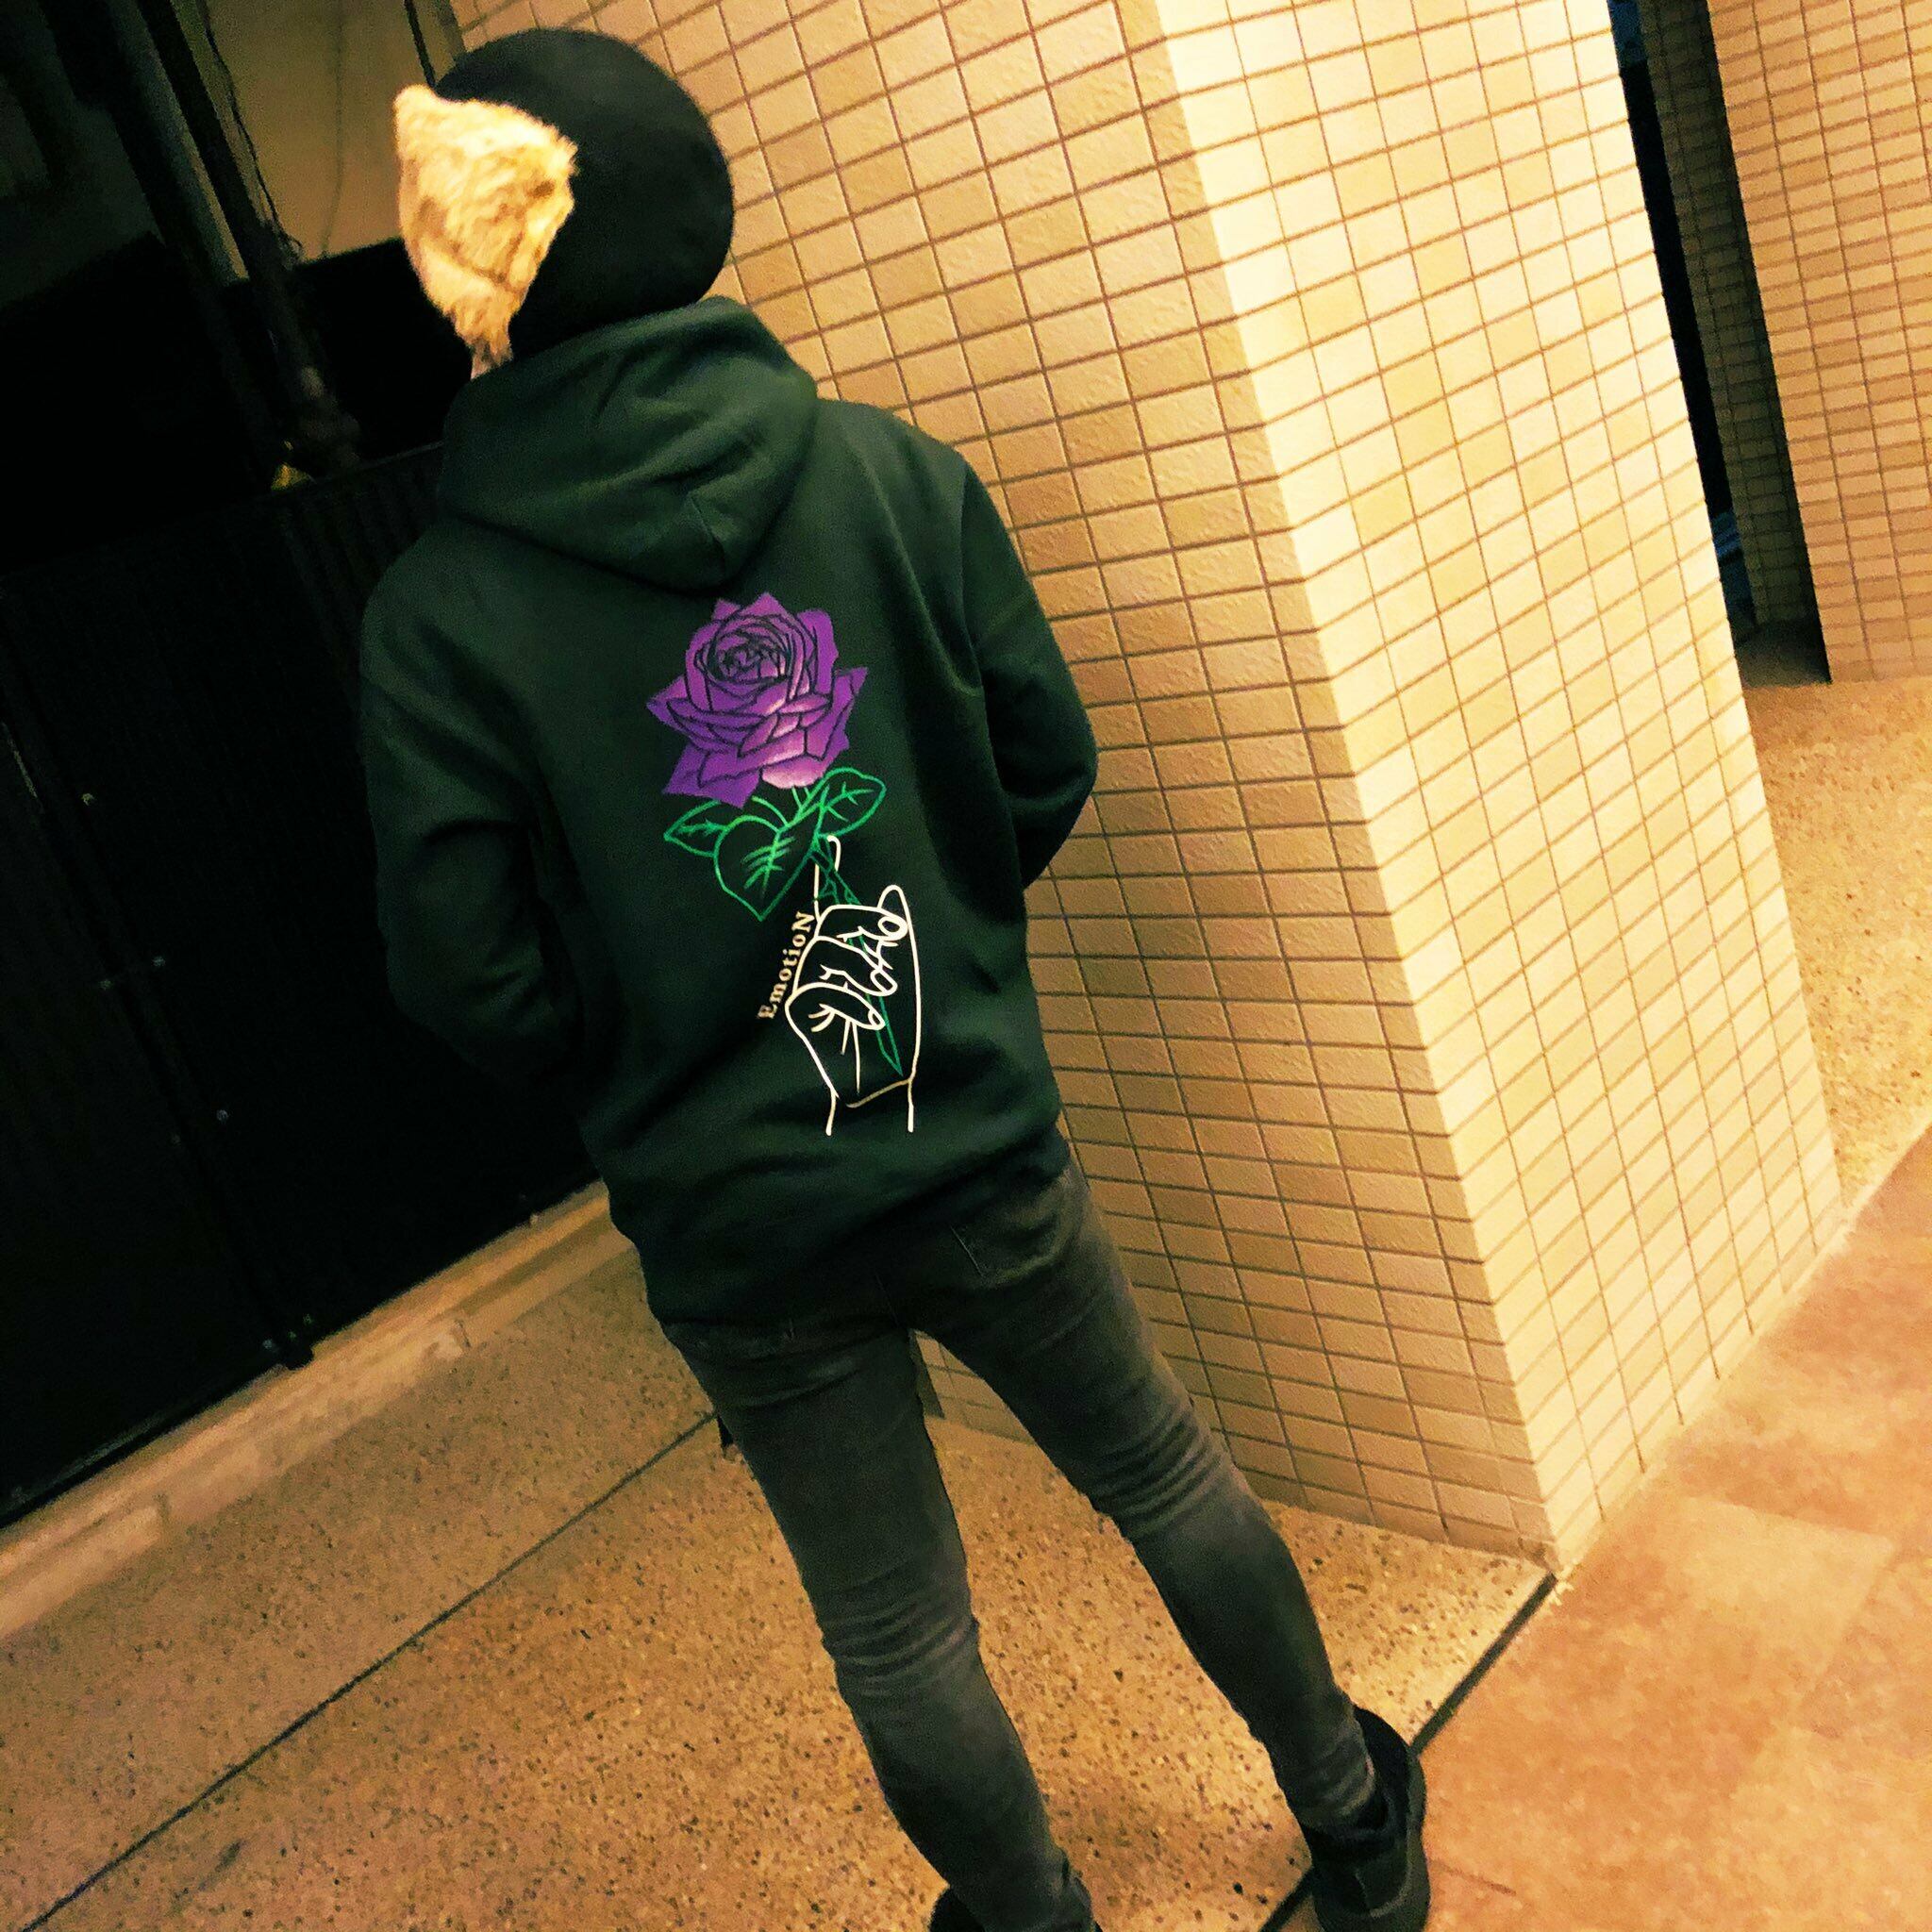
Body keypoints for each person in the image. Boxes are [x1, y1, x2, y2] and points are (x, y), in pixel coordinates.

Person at [360, 26, 1429, 1932]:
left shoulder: (438, 614)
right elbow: (1043, 761)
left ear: (473, 268)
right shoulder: (890, 475)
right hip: (971, 1129)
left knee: (892, 1625)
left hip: (737, 1218)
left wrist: (650, 1042)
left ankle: (1028, 1918)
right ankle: (1352, 1820)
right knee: (1160, 1469)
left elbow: (469, 979)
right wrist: (934, 940)